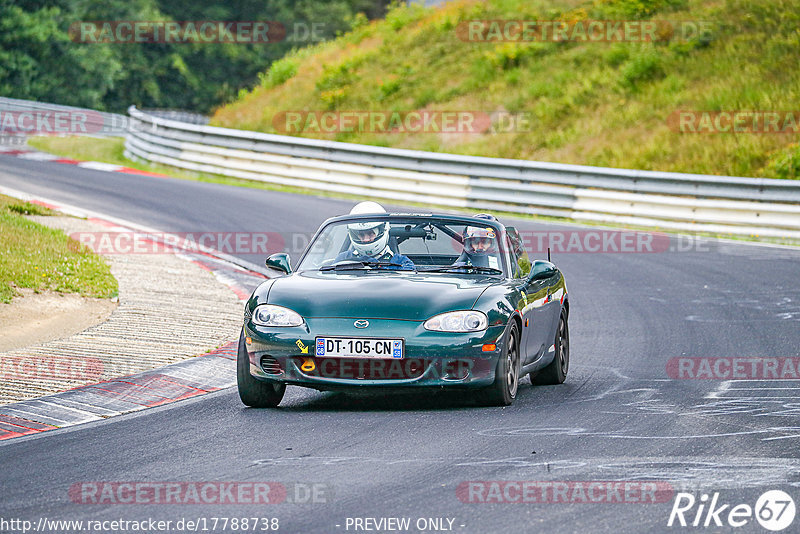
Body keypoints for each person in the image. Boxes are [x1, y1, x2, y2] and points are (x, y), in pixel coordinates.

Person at [333, 201, 415, 270]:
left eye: (370, 234)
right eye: (361, 235)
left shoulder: (402, 262)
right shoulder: (343, 258)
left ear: (383, 230)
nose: (365, 239)